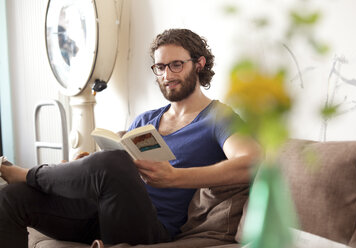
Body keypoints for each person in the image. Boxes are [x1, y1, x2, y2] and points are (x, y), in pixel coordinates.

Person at [0, 29, 260, 247]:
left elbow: (251, 163)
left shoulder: (218, 117)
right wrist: (84, 170)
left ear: (199, 64)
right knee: (11, 197)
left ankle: (30, 173)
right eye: (159, 67)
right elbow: (118, 176)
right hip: (102, 213)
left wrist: (175, 178)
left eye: (176, 65)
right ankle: (38, 178)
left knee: (112, 163)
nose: (167, 76)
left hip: (152, 228)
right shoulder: (146, 120)